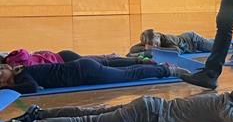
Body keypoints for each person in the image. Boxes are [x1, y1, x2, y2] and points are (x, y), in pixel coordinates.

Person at [0, 82, 233, 122]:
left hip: (148, 105)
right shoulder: (225, 106)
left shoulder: (219, 96)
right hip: (147, 115)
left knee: (91, 113)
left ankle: (38, 113)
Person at [0, 57, 199, 95]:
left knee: (128, 76)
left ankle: (166, 70)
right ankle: (141, 61)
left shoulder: (24, 74)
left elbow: (31, 88)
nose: (1, 75)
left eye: (1, 71)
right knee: (113, 65)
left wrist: (5, 87)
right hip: (82, 66)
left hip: (85, 72)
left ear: (9, 68)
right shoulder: (23, 74)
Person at [2, 49, 154, 68]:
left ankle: (137, 60)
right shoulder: (15, 58)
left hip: (64, 60)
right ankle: (133, 59)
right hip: (62, 56)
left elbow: (24, 53)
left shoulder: (15, 64)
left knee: (103, 62)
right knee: (100, 59)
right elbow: (26, 52)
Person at [129, 30, 215, 55]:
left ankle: (227, 40)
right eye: (151, 45)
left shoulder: (167, 40)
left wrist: (156, 48)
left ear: (158, 36)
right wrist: (145, 47)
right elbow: (132, 49)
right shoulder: (150, 42)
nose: (155, 45)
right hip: (185, 36)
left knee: (218, 47)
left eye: (156, 43)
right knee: (211, 42)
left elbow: (176, 51)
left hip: (193, 41)